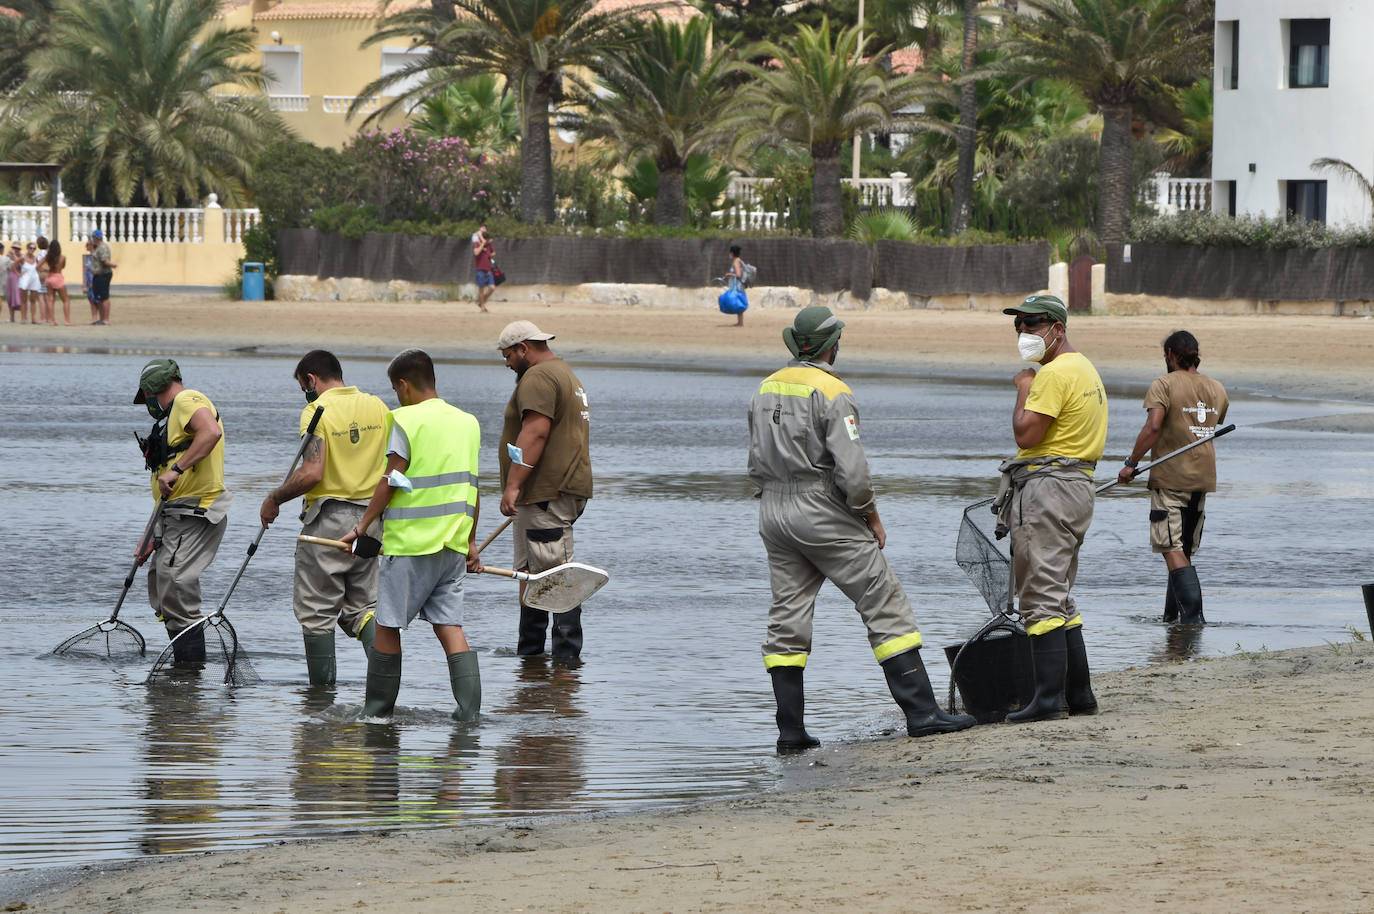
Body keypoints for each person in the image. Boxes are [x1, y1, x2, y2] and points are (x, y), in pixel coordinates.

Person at [748, 306, 974, 754]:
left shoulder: (765, 387)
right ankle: (922, 713)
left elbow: (756, 459)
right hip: (820, 508)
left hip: (772, 510)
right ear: (832, 346)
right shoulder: (834, 392)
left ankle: (791, 732)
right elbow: (853, 472)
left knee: (787, 618)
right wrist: (870, 515)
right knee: (883, 601)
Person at [342, 349, 483, 722]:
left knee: (387, 626)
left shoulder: (406, 420)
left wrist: (362, 526)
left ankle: (377, 715)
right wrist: (471, 543)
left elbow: (391, 479)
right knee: (449, 627)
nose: (397, 397)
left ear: (403, 385)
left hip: (410, 545)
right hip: (453, 545)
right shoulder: (467, 423)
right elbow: (473, 488)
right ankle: (469, 715)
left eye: (395, 389)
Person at [997, 294, 1107, 723]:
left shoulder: (1053, 374)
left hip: (1048, 491)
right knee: (1059, 593)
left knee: (1040, 595)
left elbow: (1026, 434)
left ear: (1057, 329)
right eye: (1018, 325)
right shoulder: (1085, 368)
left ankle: (1048, 700)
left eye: (1033, 324)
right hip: (1077, 487)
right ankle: (1079, 695)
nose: (1024, 332)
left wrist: (1025, 388)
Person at [260, 350, 390, 685]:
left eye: (304, 387)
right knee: (365, 608)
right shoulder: (377, 406)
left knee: (317, 612)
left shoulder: (316, 411)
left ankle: (319, 700)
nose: (306, 393)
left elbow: (312, 473)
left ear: (311, 379)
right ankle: (387, 686)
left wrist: (274, 498)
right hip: (371, 519)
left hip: (329, 520)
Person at [1117, 330, 1229, 626]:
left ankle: (1193, 620)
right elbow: (1214, 421)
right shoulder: (1216, 388)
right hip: (1202, 478)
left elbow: (1153, 426)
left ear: (1170, 354)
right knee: (1184, 550)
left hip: (1171, 477)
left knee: (1170, 547)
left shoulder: (1163, 384)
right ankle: (1172, 618)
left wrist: (1131, 463)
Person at [496, 320, 593, 661]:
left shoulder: (539, 377)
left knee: (556, 574)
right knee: (531, 574)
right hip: (545, 493)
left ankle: (567, 665)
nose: (507, 364)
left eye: (508, 356)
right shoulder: (563, 373)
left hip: (547, 493)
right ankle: (532, 663)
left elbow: (535, 432)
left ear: (523, 349)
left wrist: (512, 485)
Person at [133, 358, 231, 663]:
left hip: (195, 511)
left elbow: (210, 432)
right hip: (171, 514)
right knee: (162, 586)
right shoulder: (172, 416)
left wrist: (176, 469)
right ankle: (182, 670)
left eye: (147, 397)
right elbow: (165, 488)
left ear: (153, 389)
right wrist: (149, 534)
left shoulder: (188, 400)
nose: (148, 405)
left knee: (175, 582)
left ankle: (190, 672)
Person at [90, 229, 116, 324]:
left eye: (93, 237)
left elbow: (105, 261)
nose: (92, 239)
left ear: (96, 238)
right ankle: (102, 319)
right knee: (99, 297)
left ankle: (106, 319)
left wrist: (112, 265)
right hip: (98, 275)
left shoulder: (103, 248)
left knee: (104, 297)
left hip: (103, 275)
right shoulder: (98, 247)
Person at [44, 239, 72, 325]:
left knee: (51, 300)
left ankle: (52, 320)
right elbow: (63, 267)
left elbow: (37, 266)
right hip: (58, 277)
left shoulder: (48, 257)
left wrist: (45, 270)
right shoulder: (62, 257)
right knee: (66, 300)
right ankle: (67, 321)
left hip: (49, 277)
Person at [472, 224, 495, 313]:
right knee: (481, 289)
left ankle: (481, 302)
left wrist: (491, 254)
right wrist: (482, 245)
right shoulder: (476, 243)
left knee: (492, 288)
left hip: (489, 270)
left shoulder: (489, 245)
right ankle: (482, 307)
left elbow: (493, 252)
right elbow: (476, 253)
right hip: (480, 270)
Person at [724, 244, 747, 327]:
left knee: (738, 302)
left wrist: (729, 274)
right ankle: (740, 322)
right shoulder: (738, 260)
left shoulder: (736, 262)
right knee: (738, 303)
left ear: (732, 253)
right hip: (738, 286)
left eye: (730, 252)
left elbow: (738, 275)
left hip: (737, 286)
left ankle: (740, 322)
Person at [18, 243, 42, 323]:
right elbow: (14, 265)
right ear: (27, 248)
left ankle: (33, 318)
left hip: (34, 279)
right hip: (25, 279)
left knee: (33, 300)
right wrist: (18, 274)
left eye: (34, 248)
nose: (32, 249)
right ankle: (23, 318)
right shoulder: (23, 257)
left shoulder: (35, 258)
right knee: (24, 300)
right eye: (31, 248)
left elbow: (38, 267)